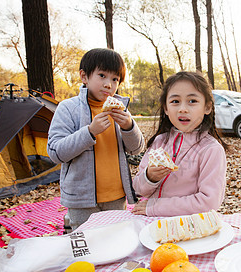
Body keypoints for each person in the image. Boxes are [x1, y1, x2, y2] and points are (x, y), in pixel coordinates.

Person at [47, 48, 144, 230]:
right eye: (102, 75)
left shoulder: (120, 109)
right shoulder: (68, 108)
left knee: (114, 242)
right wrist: (89, 132)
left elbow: (136, 149)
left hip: (116, 196)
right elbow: (55, 152)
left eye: (115, 79)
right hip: (81, 199)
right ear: (84, 76)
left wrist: (129, 127)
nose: (109, 84)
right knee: (87, 244)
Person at [131, 71, 227, 217]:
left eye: (192, 101)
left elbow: (209, 202)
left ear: (207, 107)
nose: (183, 108)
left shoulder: (211, 150)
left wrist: (156, 207)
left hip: (189, 228)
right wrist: (150, 177)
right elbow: (139, 189)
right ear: (166, 108)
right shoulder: (159, 142)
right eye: (175, 101)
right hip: (151, 225)